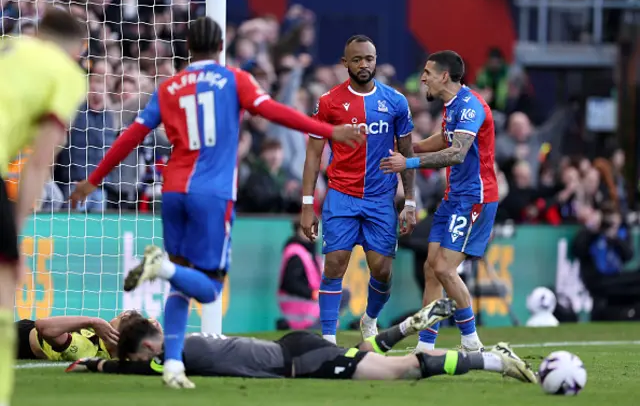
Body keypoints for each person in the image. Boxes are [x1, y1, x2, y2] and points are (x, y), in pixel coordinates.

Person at [70, 16, 363, 390]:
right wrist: (328, 129)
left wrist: (93, 180)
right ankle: (159, 270)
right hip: (212, 194)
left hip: (173, 191)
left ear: (188, 48)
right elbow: (274, 111)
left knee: (179, 281)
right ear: (221, 46)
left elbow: (132, 135)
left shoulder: (170, 86)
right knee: (207, 289)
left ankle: (173, 364)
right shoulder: (234, 79)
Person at [65, 300, 536, 384]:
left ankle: (490, 360)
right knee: (370, 356)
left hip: (300, 359)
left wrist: (95, 366)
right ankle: (407, 326)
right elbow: (134, 361)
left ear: (147, 350)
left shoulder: (173, 354)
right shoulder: (180, 338)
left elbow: (131, 368)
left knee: (403, 370)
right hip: (296, 348)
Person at [300, 35, 417, 345]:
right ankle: (327, 339)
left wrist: (410, 201)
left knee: (382, 271)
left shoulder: (396, 102)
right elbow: (313, 154)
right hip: (342, 195)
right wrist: (307, 204)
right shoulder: (328, 102)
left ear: (375, 60)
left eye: (369, 58)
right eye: (357, 59)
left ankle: (370, 319)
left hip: (381, 200)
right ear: (345, 63)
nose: (364, 64)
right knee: (335, 262)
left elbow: (406, 154)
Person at [380, 51, 498, 353]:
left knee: (445, 268)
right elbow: (445, 140)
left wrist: (409, 162)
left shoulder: (471, 107)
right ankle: (425, 344)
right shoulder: (452, 105)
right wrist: (410, 148)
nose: (422, 78)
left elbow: (457, 152)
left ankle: (471, 340)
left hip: (475, 198)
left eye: (428, 73)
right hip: (453, 197)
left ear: (444, 76)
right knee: (431, 269)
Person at [0, 7, 87, 406]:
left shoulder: (9, 47)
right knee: (5, 291)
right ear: (78, 49)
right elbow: (38, 162)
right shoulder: (67, 75)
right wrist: (14, 230)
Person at [15, 311, 159, 361]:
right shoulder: (102, 338)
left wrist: (92, 321)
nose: (122, 314)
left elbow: (42, 326)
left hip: (17, 342)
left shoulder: (87, 349)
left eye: (123, 319)